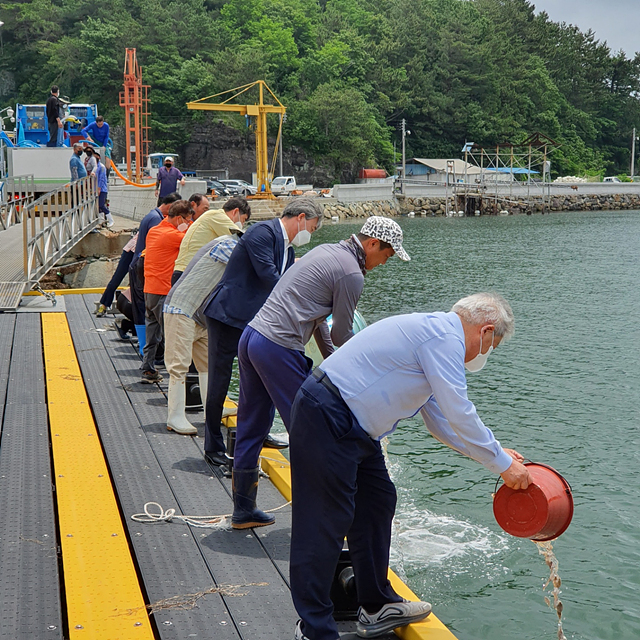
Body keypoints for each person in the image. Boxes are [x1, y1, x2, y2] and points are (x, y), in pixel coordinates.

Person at [288, 292, 533, 640]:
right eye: (493, 344)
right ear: (486, 331)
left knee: (377, 502)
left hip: (354, 426)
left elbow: (441, 423)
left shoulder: (435, 336)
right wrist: (503, 465)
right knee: (324, 522)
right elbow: (460, 411)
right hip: (329, 416)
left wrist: (496, 455)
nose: (487, 353)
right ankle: (314, 629)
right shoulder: (443, 339)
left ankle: (375, 605)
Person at [231, 217, 410, 529]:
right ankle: (320, 520)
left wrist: (333, 363)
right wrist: (371, 369)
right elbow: (342, 334)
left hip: (252, 338)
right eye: (388, 254)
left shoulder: (326, 251)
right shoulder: (352, 274)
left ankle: (243, 511)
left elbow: (317, 323)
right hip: (278, 347)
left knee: (251, 426)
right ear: (371, 244)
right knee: (310, 433)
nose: (385, 262)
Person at [201, 198, 324, 467]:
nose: (309, 235)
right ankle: (212, 446)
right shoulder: (262, 233)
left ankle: (260, 434)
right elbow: (269, 277)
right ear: (300, 218)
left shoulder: (288, 250)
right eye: (312, 228)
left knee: (261, 382)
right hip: (228, 315)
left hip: (254, 323)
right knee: (220, 382)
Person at [163, 229, 244, 435]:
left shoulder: (230, 244)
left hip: (201, 314)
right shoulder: (228, 245)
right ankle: (175, 416)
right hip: (182, 308)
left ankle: (212, 410)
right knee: (179, 365)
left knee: (208, 365)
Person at [140, 200, 191, 383]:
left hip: (149, 289)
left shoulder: (154, 231)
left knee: (152, 333)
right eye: (187, 218)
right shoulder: (173, 235)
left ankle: (148, 368)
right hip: (163, 291)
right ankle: (177, 378)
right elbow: (192, 238)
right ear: (179, 218)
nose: (189, 221)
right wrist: (193, 224)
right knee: (172, 335)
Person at [127, 193, 181, 342]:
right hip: (145, 268)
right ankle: (151, 352)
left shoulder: (151, 215)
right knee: (158, 320)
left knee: (143, 312)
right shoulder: (157, 220)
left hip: (140, 266)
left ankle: (145, 352)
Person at [172, 196, 251, 285]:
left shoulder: (213, 217)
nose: (242, 224)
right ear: (235, 212)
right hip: (189, 273)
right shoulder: (217, 216)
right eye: (243, 220)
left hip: (185, 271)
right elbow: (243, 241)